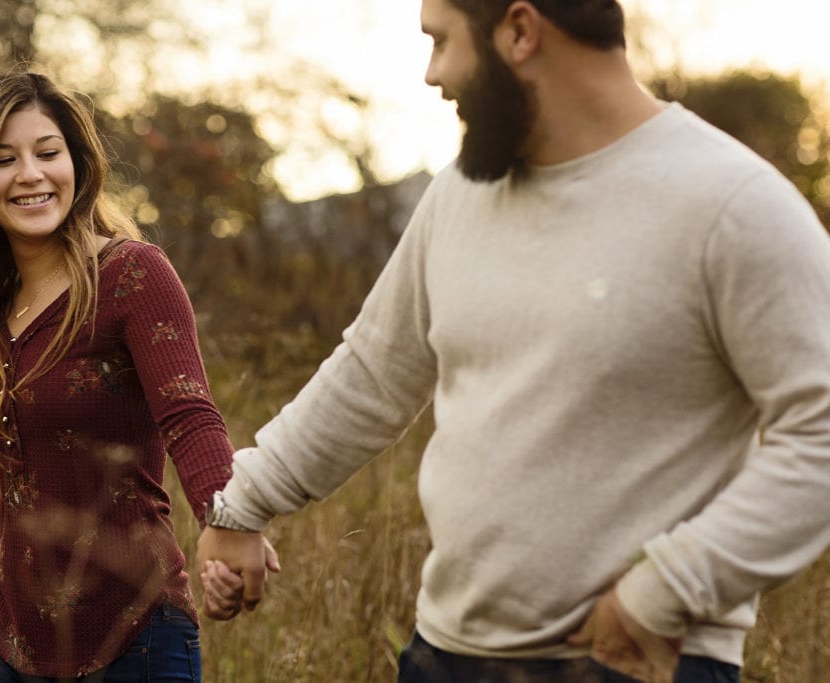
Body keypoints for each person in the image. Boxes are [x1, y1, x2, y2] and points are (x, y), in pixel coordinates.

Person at [195, 1, 830, 682]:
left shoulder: (732, 203)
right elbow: (373, 373)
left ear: (520, 32)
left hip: (633, 660)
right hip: (444, 655)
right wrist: (242, 501)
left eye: (441, 42)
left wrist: (666, 589)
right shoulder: (460, 197)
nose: (431, 75)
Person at [0, 71, 246, 681]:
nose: (31, 174)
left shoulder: (132, 274)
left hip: (134, 634)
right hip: (9, 638)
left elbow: (190, 414)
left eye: (48, 153)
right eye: (3, 160)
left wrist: (228, 524)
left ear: (77, 162)